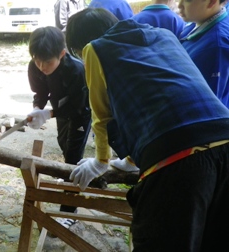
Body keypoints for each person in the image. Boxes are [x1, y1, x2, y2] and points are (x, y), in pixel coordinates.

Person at [66, 8, 229, 251]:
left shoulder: (95, 49)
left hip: (181, 160)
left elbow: (101, 114)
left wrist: (101, 161)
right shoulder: (165, 35)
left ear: (81, 45)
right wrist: (131, 159)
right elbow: (160, 101)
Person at [26, 26, 92, 231]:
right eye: (37, 60)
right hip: (61, 110)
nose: (42, 66)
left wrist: (49, 114)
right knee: (64, 145)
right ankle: (68, 180)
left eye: (47, 62)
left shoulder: (76, 69)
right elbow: (40, 90)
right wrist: (38, 109)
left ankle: (69, 211)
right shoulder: (35, 65)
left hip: (80, 113)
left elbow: (77, 105)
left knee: (73, 159)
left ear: (62, 54)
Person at [179, 0, 229, 106]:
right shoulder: (194, 24)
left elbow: (211, 104)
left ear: (211, 2)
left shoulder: (216, 46)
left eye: (187, 0)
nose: (179, 5)